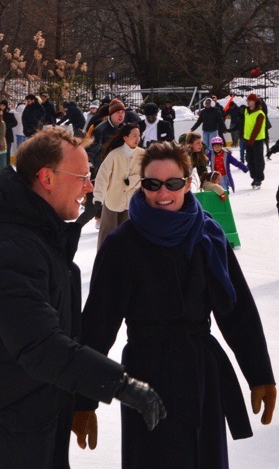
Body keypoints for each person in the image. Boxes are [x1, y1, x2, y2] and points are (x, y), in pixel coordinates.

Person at [77, 141, 276, 466]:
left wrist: (259, 373)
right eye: (153, 184)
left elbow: (238, 311)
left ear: (187, 182)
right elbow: (98, 326)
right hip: (144, 380)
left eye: (173, 183)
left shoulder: (209, 235)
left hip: (201, 375)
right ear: (142, 184)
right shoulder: (122, 245)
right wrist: (83, 399)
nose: (163, 192)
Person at [0, 128, 165, 469]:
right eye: (83, 176)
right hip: (12, 431)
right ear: (46, 178)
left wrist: (77, 400)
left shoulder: (41, 234)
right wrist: (120, 384)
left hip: (34, 419)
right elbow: (39, 344)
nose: (90, 187)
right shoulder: (13, 247)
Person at [93, 121, 144, 249]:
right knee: (107, 234)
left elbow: (146, 175)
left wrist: (133, 180)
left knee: (127, 235)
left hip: (131, 201)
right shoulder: (115, 155)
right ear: (125, 137)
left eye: (139, 136)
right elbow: (102, 177)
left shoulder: (143, 154)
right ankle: (103, 259)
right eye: (134, 136)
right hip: (112, 200)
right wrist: (98, 198)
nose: (138, 139)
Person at [243, 93, 268, 189]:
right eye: (248, 100)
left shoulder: (260, 113)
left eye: (250, 100)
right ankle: (254, 176)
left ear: (255, 101)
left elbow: (257, 128)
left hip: (256, 140)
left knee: (258, 160)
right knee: (249, 159)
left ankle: (259, 178)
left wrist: (251, 140)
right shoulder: (246, 111)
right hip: (247, 139)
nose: (248, 102)